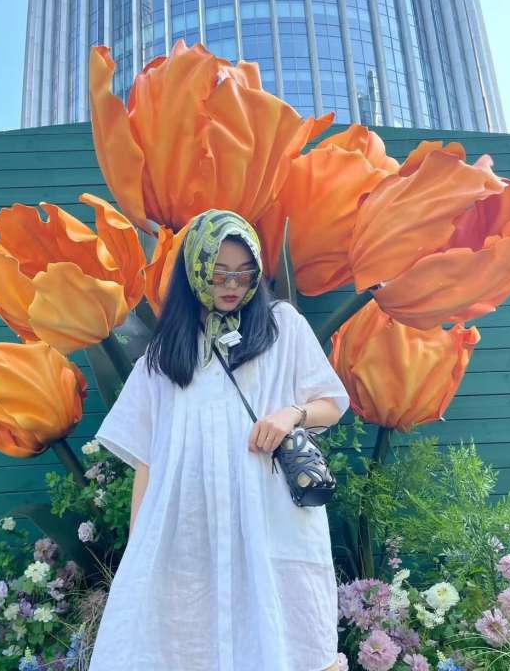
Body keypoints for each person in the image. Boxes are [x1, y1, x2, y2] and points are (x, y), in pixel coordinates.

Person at [90, 208, 351, 671]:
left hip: (269, 520)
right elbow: (148, 459)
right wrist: (139, 549)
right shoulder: (164, 355)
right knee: (186, 643)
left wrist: (291, 414)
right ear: (194, 271)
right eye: (218, 274)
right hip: (188, 531)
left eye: (244, 273)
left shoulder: (282, 326)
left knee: (281, 636)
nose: (232, 285)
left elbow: (331, 402)